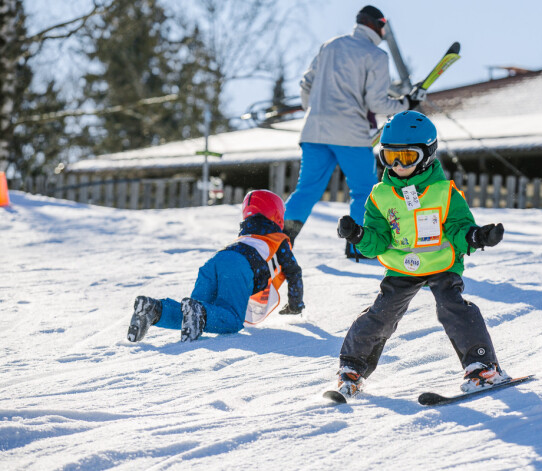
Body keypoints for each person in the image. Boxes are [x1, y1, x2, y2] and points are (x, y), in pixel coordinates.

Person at [333, 110, 510, 398]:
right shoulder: (380, 196)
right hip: (402, 266)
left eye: (407, 157)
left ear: (426, 155)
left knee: (451, 307)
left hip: (441, 262)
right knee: (382, 313)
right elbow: (377, 241)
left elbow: (458, 226)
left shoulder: (444, 192)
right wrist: (358, 235)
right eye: (391, 157)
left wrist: (476, 237)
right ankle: (352, 368)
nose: (399, 165)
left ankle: (483, 367)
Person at [283, 5, 419, 258]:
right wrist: (405, 104)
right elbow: (377, 103)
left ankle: (281, 241)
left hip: (314, 130)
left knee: (307, 189)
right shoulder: (376, 55)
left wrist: (313, 109)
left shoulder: (330, 45)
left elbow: (306, 83)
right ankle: (358, 247)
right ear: (378, 26)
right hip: (351, 134)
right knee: (363, 191)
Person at [127, 190, 304, 343]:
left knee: (192, 314)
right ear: (277, 215)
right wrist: (295, 305)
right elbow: (293, 272)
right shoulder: (278, 240)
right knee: (232, 320)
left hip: (215, 261)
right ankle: (196, 311)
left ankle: (155, 309)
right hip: (239, 266)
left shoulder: (245, 236)